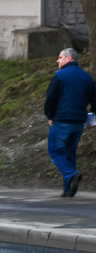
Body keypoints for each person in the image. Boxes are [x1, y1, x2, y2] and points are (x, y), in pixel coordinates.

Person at [44, 48, 96, 197]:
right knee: (69, 153)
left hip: (61, 120)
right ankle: (68, 190)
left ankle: (71, 175)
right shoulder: (87, 77)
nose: (57, 60)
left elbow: (51, 98)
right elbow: (94, 101)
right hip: (79, 122)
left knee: (55, 151)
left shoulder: (59, 76)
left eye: (60, 57)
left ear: (69, 59)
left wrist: (49, 115)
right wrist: (92, 118)